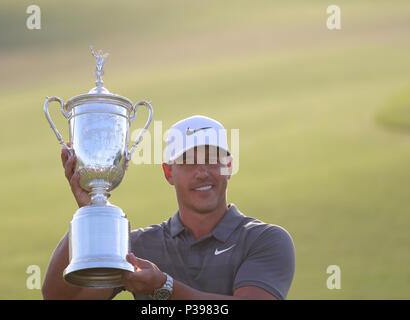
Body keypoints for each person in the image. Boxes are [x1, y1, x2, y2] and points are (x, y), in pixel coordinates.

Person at [42, 115, 295, 300]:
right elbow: (60, 299)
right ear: (168, 172)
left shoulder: (265, 239)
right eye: (188, 162)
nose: (202, 172)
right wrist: (91, 212)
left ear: (228, 166)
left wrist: (164, 287)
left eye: (211, 159)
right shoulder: (136, 248)